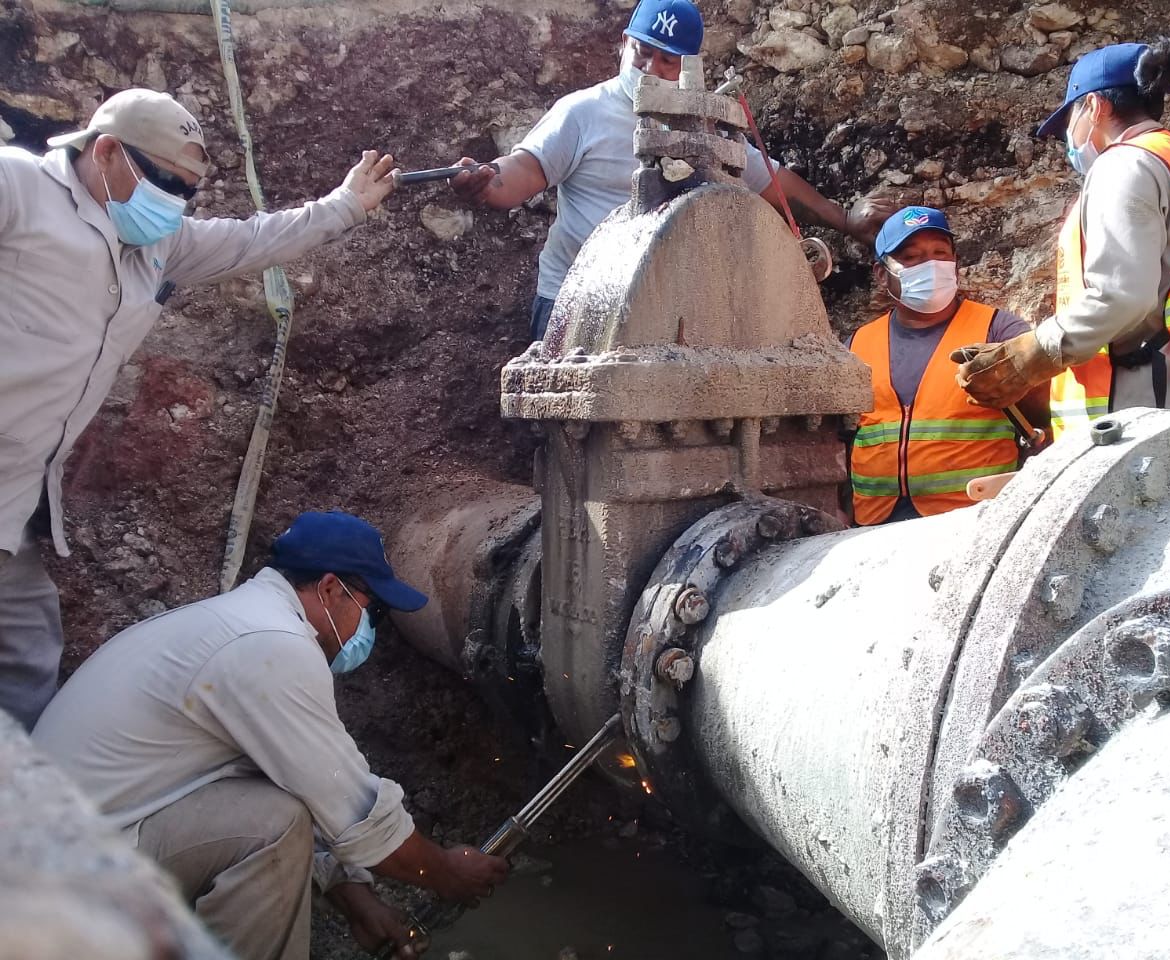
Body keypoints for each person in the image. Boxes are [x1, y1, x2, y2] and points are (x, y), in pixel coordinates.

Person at [0, 88, 400, 731]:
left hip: (16, 502)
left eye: (187, 191)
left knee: (25, 656)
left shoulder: (156, 245)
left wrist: (345, 206)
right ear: (105, 151)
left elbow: (252, 240)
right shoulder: (20, 188)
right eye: (166, 183)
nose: (176, 203)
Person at [32, 511, 509, 960]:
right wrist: (444, 873)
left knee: (274, 811)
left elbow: (296, 790)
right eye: (374, 611)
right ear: (330, 589)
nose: (371, 628)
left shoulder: (238, 624)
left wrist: (360, 906)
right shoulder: (272, 648)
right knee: (274, 823)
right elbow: (357, 817)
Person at [449, 0, 893, 340]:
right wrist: (486, 182)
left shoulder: (700, 124)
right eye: (643, 52)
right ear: (623, 44)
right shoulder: (582, 113)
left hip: (669, 306)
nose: (650, 69)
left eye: (668, 60)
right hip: (576, 299)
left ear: (691, 68)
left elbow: (774, 184)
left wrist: (845, 220)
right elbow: (521, 172)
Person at [952, 40, 1170, 435]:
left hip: (1161, 424)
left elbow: (1122, 295)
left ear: (1093, 106)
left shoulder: (1122, 164)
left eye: (1068, 122)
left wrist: (1033, 354)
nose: (1068, 141)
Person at [846, 207, 1048, 525]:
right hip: (873, 526)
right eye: (911, 256)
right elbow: (839, 441)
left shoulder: (998, 331)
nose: (930, 265)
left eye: (940, 253)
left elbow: (1045, 417)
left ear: (955, 264)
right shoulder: (857, 345)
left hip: (974, 519)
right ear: (881, 273)